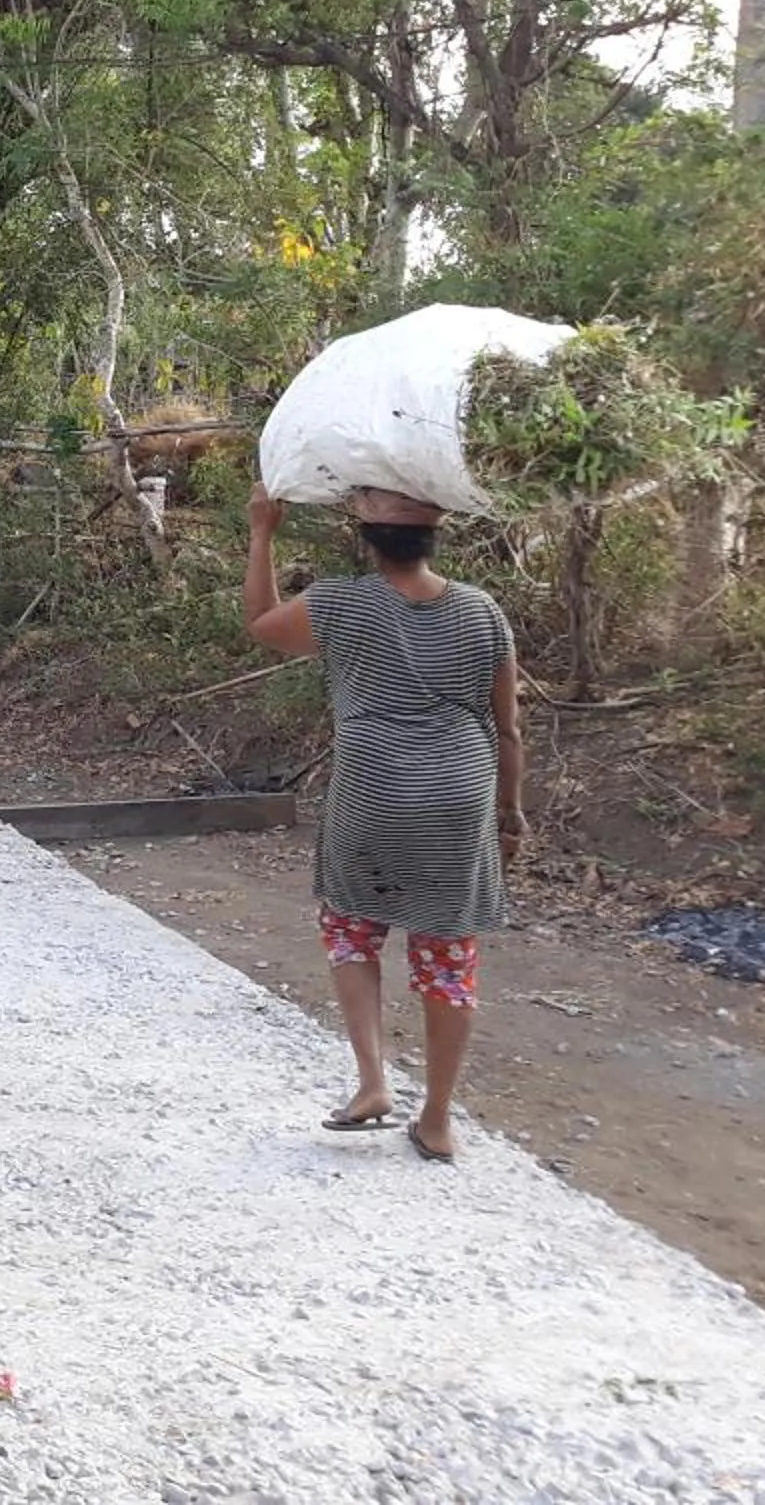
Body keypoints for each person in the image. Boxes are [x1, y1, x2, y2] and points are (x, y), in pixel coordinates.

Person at [243, 482, 523, 1164]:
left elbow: (261, 621)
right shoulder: (484, 612)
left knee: (350, 928)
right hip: (459, 798)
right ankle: (436, 1120)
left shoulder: (339, 602)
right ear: (433, 538)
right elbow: (508, 731)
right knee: (448, 955)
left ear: (367, 542)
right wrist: (510, 812)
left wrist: (262, 533)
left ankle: (372, 1083)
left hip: (372, 793)